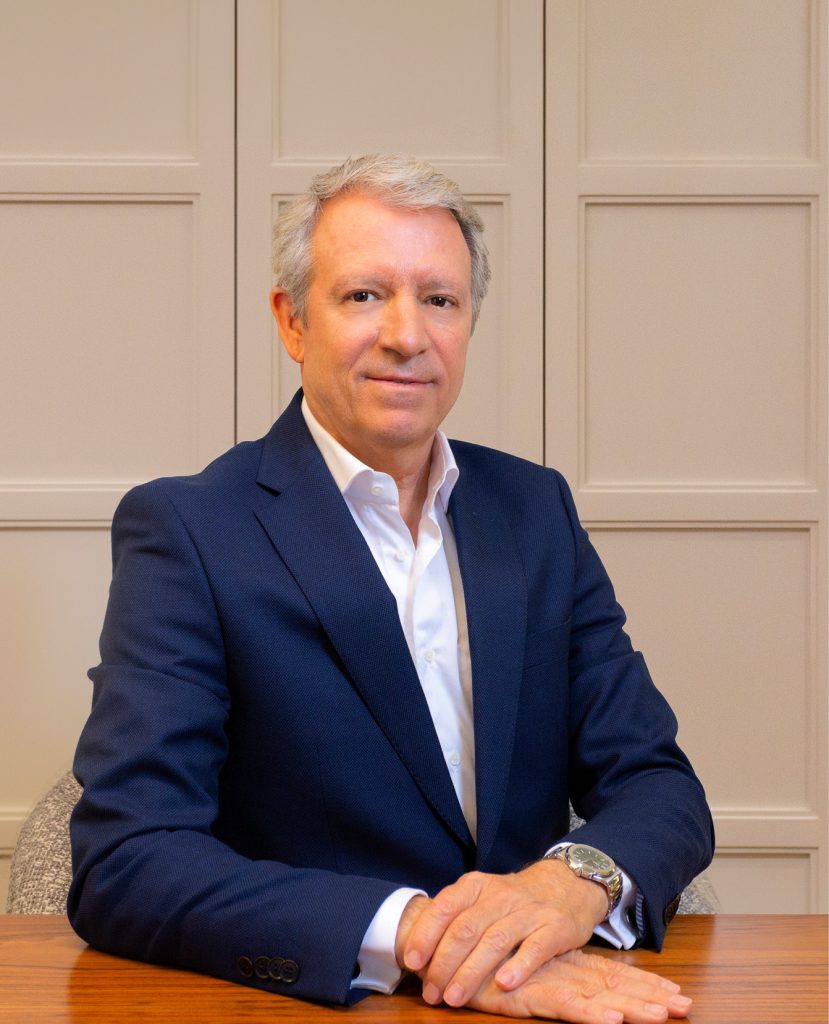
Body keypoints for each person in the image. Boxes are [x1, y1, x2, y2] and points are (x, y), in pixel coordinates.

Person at [69, 155, 714, 1023]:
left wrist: (571, 885)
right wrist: (417, 937)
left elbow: (657, 785)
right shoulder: (190, 531)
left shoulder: (534, 510)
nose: (407, 335)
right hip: (319, 1003)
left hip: (549, 999)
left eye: (439, 300)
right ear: (291, 321)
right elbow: (128, 860)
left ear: (469, 322)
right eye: (364, 295)